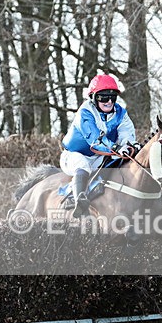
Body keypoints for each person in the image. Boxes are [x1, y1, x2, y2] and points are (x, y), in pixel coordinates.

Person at [60, 73, 138, 217]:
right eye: (103, 97)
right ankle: (79, 201)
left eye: (112, 97)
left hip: (101, 155)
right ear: (94, 97)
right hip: (75, 154)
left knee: (118, 164)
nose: (109, 101)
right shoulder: (85, 112)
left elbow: (127, 133)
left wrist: (130, 146)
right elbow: (95, 140)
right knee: (83, 165)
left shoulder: (121, 113)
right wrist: (116, 148)